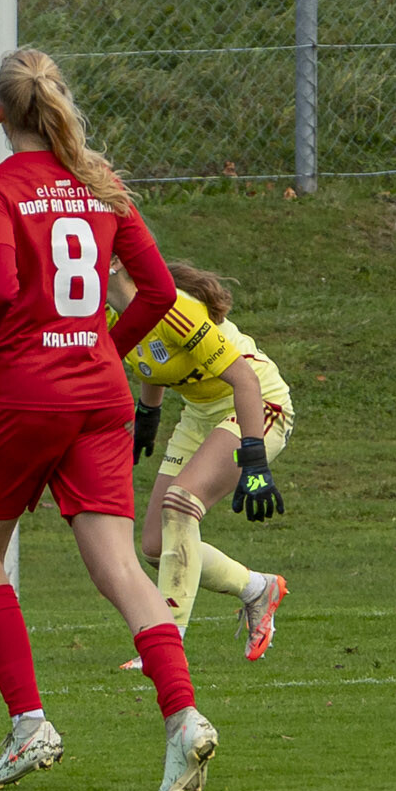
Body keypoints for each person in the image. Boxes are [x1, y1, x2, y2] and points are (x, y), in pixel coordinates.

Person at [0, 48, 219, 791]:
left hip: (26, 393)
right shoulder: (100, 183)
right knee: (121, 568)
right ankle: (183, 717)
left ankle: (29, 724)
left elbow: (0, 287)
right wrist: (101, 351)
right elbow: (158, 293)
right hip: (99, 397)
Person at [111, 261, 292, 662]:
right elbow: (150, 360)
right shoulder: (110, 314)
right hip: (200, 414)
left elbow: (245, 380)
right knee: (156, 545)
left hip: (257, 402)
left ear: (114, 262)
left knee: (181, 502)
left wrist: (255, 461)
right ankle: (257, 588)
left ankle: (165, 643)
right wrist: (148, 414)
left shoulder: (173, 308)